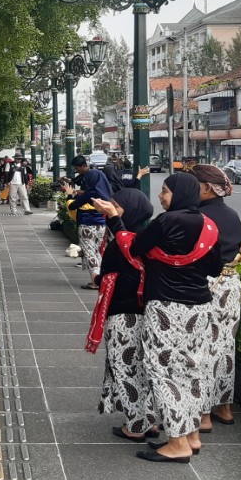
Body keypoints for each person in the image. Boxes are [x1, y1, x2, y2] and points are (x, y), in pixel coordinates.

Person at [92, 172, 223, 463]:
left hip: (166, 307)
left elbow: (133, 247)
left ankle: (177, 444)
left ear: (177, 194)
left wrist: (114, 218)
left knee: (165, 372)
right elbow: (214, 268)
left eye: (164, 191)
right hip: (200, 308)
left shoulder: (167, 222)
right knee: (192, 371)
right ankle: (192, 436)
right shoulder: (208, 225)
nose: (161, 197)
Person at [87, 188, 158, 441]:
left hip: (125, 313)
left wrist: (101, 277)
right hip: (142, 311)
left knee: (125, 367)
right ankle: (148, 419)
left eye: (116, 206)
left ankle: (137, 424)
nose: (111, 209)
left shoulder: (129, 241)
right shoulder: (144, 236)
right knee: (141, 368)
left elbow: (121, 271)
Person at [190, 163, 241, 431]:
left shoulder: (199, 217)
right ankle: (224, 406)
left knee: (201, 347)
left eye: (193, 185)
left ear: (205, 188)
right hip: (231, 285)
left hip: (207, 285)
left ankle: (203, 414)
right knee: (224, 346)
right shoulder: (232, 214)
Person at [67, 155, 112, 289]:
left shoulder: (90, 193)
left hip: (87, 225)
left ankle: (95, 281)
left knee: (89, 252)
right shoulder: (104, 192)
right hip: (101, 225)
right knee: (97, 251)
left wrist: (70, 194)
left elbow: (72, 206)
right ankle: (102, 278)